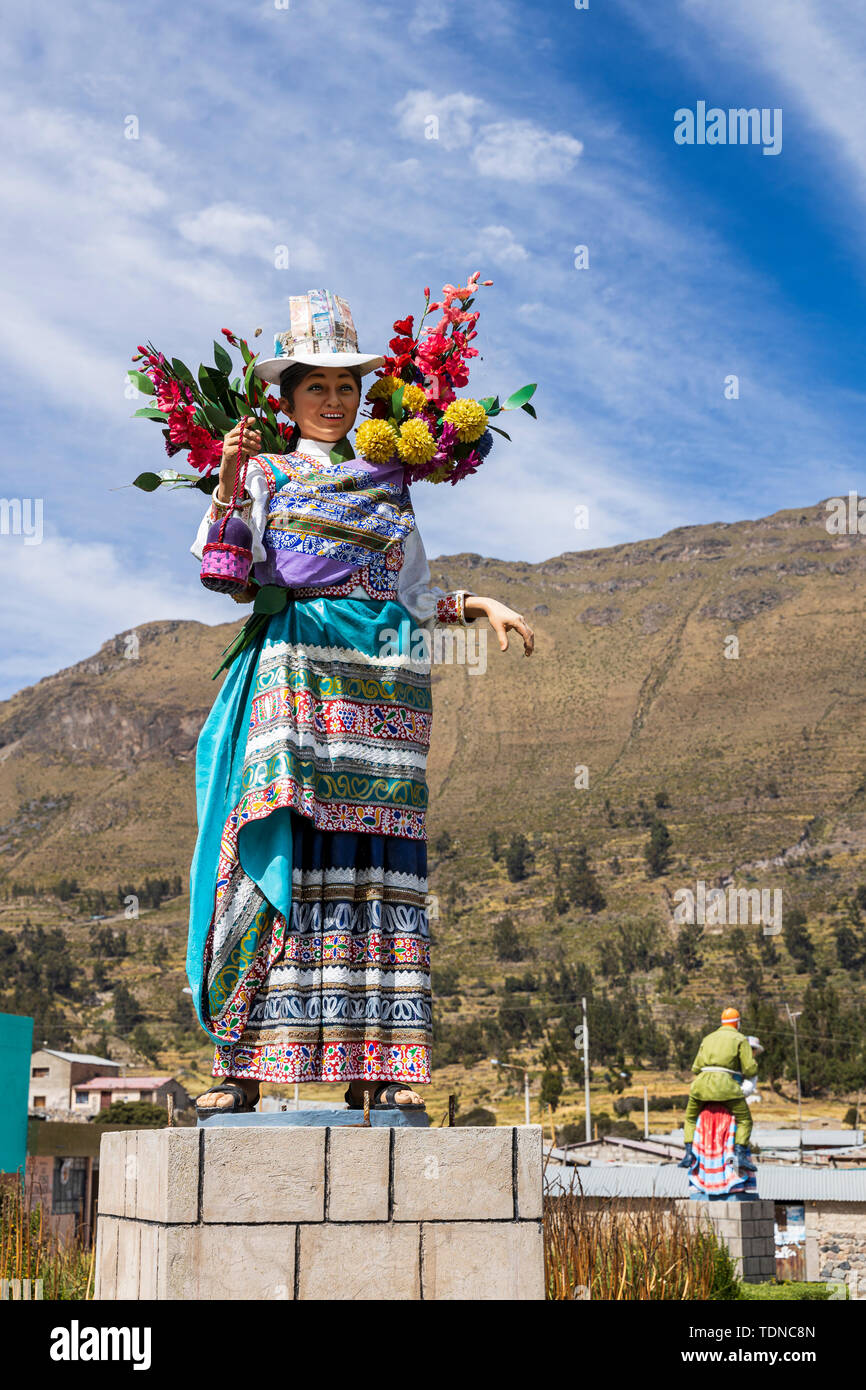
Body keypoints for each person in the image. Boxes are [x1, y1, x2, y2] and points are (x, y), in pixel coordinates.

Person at [187, 289, 535, 1117]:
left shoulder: (392, 484)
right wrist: (231, 482)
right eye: (318, 388)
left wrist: (476, 605)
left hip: (383, 696)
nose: (334, 402)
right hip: (297, 680)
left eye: (347, 387)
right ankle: (243, 1066)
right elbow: (224, 573)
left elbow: (410, 594)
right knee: (273, 849)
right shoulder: (265, 473)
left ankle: (377, 1065)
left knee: (375, 873)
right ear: (288, 399)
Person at [679, 1007, 758, 1173]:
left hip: (701, 1086)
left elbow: (695, 1068)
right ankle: (740, 1155)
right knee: (745, 1120)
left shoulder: (708, 1038)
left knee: (690, 1118)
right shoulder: (740, 1038)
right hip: (726, 1087)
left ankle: (688, 1153)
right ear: (737, 1023)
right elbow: (750, 1069)